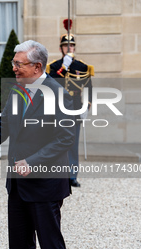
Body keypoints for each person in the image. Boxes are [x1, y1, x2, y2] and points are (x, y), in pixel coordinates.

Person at [0, 40, 75, 249]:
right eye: (14, 62)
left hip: (45, 184)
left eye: (19, 64)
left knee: (51, 246)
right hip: (17, 185)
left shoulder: (58, 94)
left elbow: (65, 138)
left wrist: (32, 162)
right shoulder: (17, 89)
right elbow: (4, 123)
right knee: (20, 247)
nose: (14, 68)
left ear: (37, 67)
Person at [47, 19, 94, 187]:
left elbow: (88, 88)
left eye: (72, 46)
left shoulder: (82, 66)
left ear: (75, 48)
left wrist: (86, 107)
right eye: (66, 46)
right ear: (61, 48)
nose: (69, 49)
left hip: (75, 107)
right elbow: (50, 84)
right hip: (58, 108)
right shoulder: (54, 67)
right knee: (57, 140)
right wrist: (63, 68)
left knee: (73, 143)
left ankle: (72, 174)